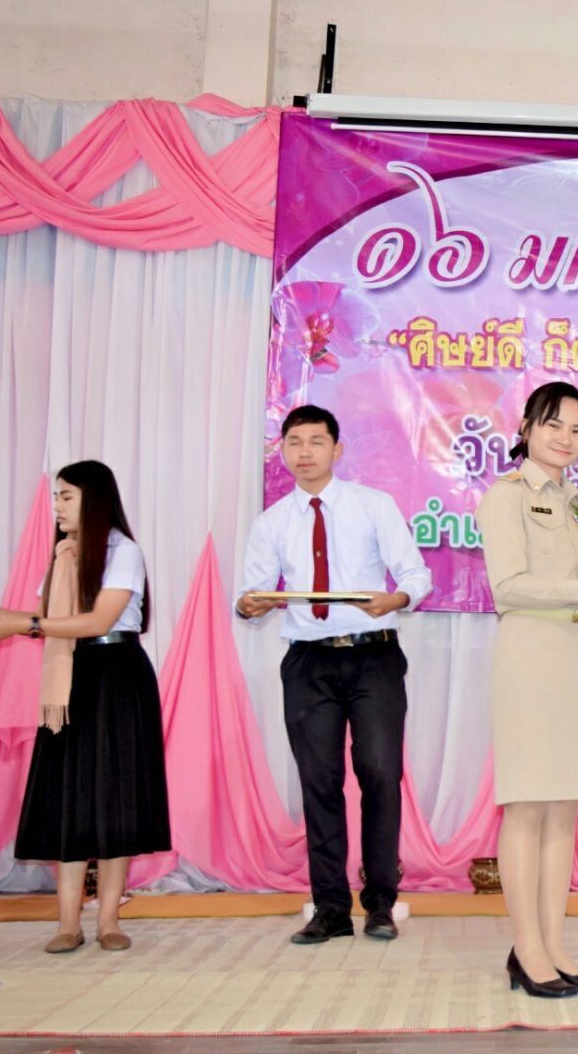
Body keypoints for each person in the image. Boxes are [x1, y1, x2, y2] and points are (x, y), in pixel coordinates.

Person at [0, 460, 171, 953]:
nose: (58, 506)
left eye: (66, 496)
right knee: (68, 796)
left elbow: (98, 621)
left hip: (116, 675)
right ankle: (67, 923)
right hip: (69, 677)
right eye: (56, 497)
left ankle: (108, 920)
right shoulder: (64, 554)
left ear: (94, 499)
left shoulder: (122, 551)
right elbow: (45, 618)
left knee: (114, 796)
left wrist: (23, 625)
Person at [235, 404, 432, 945]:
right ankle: (329, 908)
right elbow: (254, 591)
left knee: (380, 773)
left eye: (316, 441)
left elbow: (415, 573)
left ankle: (381, 903)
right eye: (294, 442)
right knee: (318, 781)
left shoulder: (373, 505)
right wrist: (250, 604)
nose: (304, 452)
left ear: (337, 449)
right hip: (308, 662)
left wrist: (396, 598)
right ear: (282, 451)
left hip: (374, 656)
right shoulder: (272, 522)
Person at [475, 382, 578, 998]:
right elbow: (509, 585)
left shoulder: (577, 503)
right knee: (526, 805)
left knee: (563, 808)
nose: (565, 439)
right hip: (530, 655)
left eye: (577, 430)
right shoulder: (506, 496)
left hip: (575, 654)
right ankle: (526, 948)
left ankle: (553, 943)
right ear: (526, 427)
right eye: (553, 425)